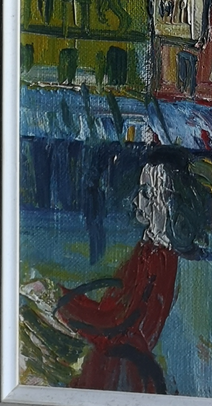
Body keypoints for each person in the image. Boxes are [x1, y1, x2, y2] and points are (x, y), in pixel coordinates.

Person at [54, 158, 180, 393]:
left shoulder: (159, 258)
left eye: (145, 193)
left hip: (123, 370)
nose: (135, 201)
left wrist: (65, 306)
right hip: (120, 360)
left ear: (160, 200)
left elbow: (122, 320)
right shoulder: (149, 250)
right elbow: (117, 311)